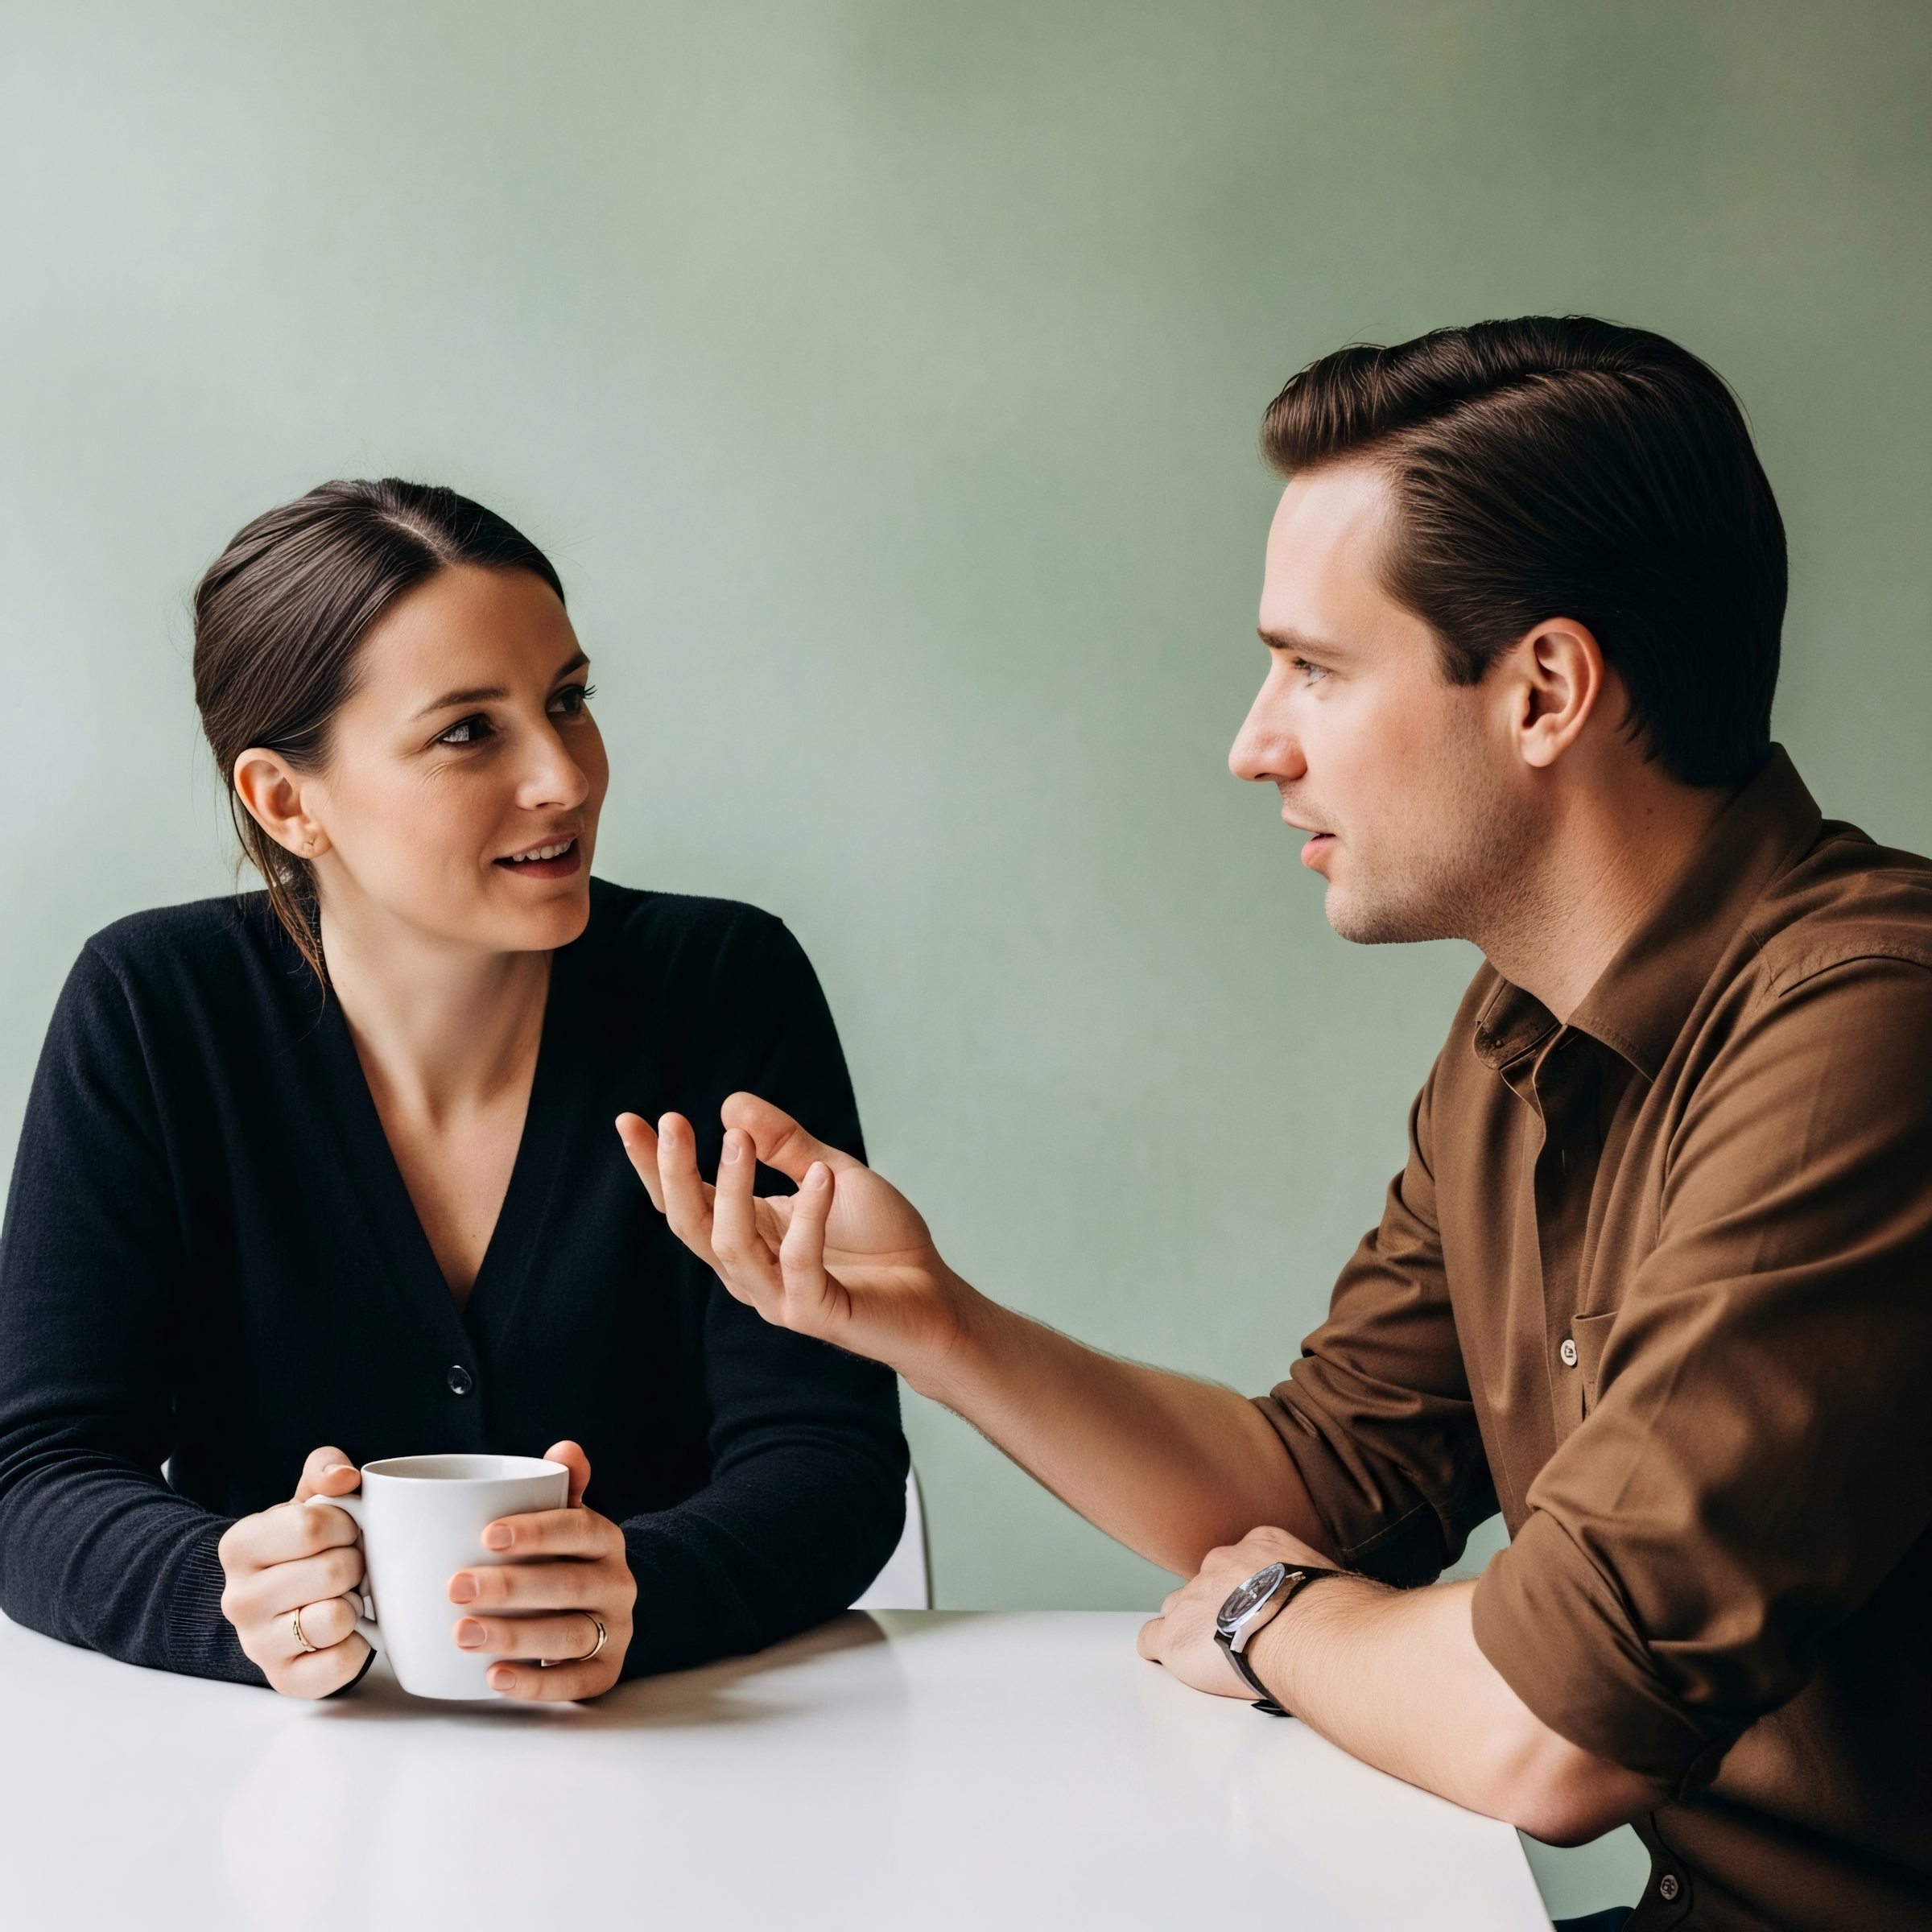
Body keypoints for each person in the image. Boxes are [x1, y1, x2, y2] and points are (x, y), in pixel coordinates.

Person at [624, 319, 1931, 1930]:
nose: (1257, 744)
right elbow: (1325, 1481)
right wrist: (933, 1323)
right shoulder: (1517, 1036)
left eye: (1315, 667)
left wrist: (1269, 1620)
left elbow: (1551, 1723)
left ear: (1544, 693)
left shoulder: (1867, 1032)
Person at [0, 479, 906, 1702]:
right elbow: (36, 1470)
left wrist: (644, 1590)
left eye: (569, 702)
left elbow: (831, 1455)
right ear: (286, 800)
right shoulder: (155, 1007)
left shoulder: (722, 984)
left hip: (681, 1767)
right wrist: (229, 1592)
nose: (565, 778)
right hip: (255, 1797)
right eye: (470, 731)